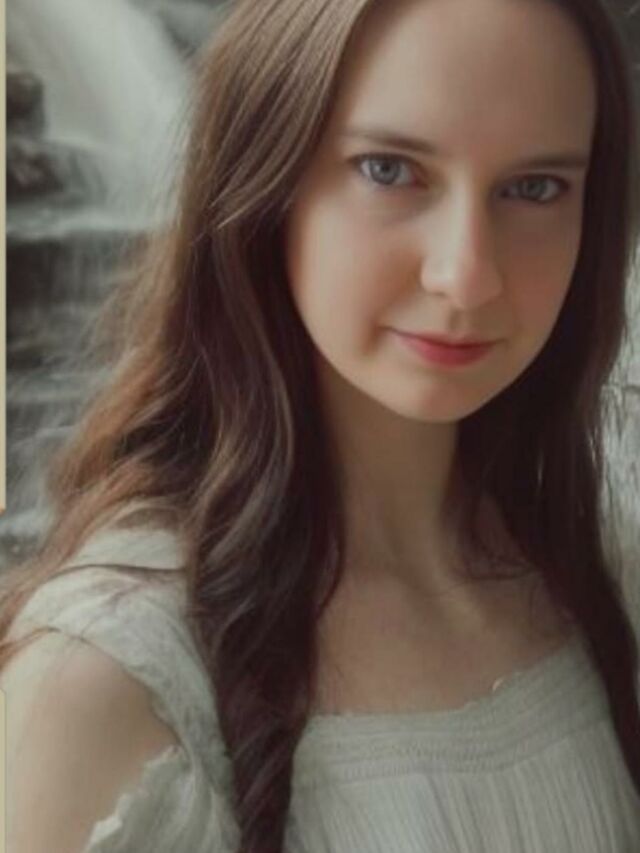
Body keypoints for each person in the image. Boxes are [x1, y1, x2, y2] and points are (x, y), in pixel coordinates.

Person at [1, 0, 640, 849]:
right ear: (265, 184)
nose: (466, 275)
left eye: (534, 188)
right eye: (389, 169)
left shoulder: (602, 569)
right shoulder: (109, 682)